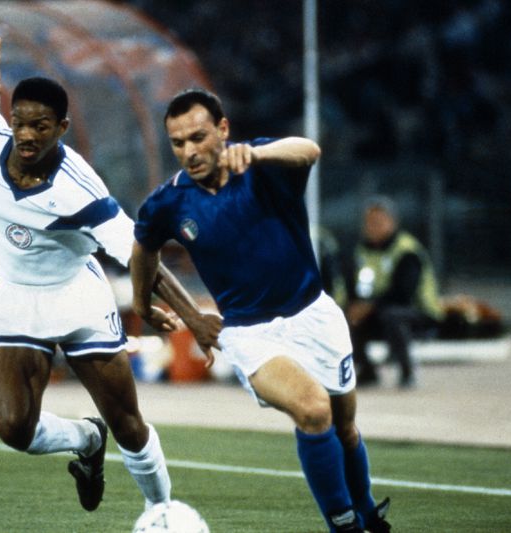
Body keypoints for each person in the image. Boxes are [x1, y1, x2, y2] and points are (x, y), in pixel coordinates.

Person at [0, 37, 217, 513]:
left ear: (61, 128)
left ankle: (161, 513)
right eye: (19, 123)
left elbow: (143, 255)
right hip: (16, 297)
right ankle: (84, 439)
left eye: (40, 126)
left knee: (127, 421)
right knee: (15, 430)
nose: (26, 135)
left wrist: (196, 317)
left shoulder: (82, 193)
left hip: (75, 297)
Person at [130, 88, 390, 532]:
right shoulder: (167, 203)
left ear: (223, 129)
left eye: (198, 137)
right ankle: (343, 524)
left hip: (315, 315)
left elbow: (309, 149)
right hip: (251, 333)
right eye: (178, 142)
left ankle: (367, 514)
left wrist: (259, 155)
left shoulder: (263, 164)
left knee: (345, 428)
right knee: (312, 410)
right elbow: (143, 253)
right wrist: (149, 305)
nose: (189, 152)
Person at [346, 196, 444, 388]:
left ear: (392, 222)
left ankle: (407, 371)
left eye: (378, 222)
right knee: (344, 317)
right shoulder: (362, 251)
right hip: (379, 309)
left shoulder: (407, 250)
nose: (372, 227)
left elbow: (404, 293)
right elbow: (354, 284)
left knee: (393, 316)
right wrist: (355, 306)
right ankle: (367, 370)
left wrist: (369, 306)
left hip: (418, 312)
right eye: (369, 222)